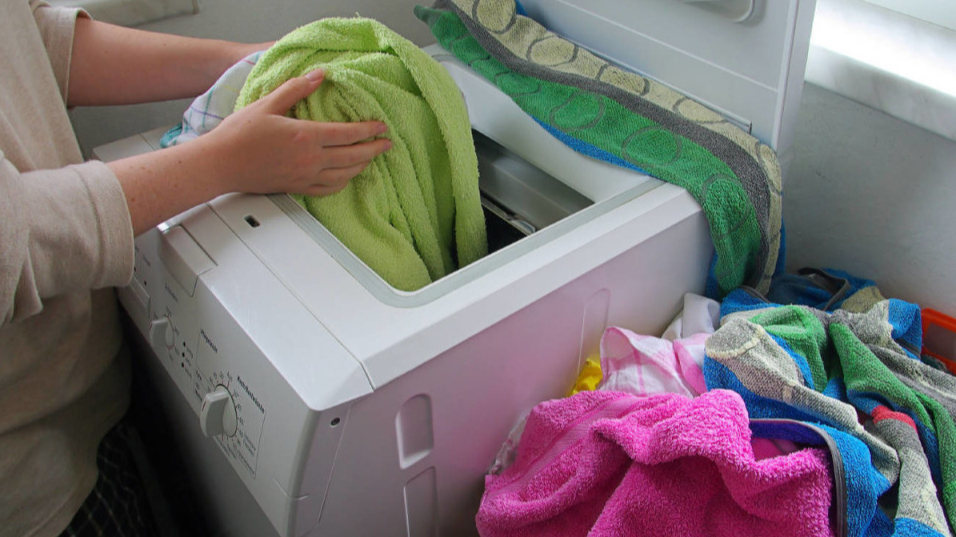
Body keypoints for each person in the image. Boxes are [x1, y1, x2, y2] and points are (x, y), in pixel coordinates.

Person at [0, 2, 393, 536]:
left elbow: (25, 40)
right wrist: (225, 161)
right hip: (31, 480)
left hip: (84, 387)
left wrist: (250, 62)